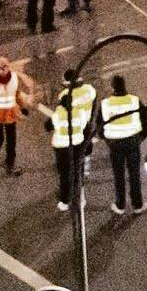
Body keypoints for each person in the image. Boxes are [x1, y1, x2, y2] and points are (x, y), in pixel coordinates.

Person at [48, 69, 96, 212]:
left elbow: (59, 112)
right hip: (84, 125)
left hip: (68, 134)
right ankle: (82, 192)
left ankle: (65, 200)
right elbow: (95, 107)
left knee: (65, 172)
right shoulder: (90, 90)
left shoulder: (64, 95)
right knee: (82, 159)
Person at [98, 75, 146, 214]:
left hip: (115, 144)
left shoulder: (105, 103)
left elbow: (99, 124)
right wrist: (140, 138)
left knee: (118, 175)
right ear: (124, 85)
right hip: (132, 142)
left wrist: (106, 139)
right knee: (135, 174)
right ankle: (137, 204)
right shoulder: (134, 100)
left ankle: (120, 205)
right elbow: (145, 120)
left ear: (112, 87)